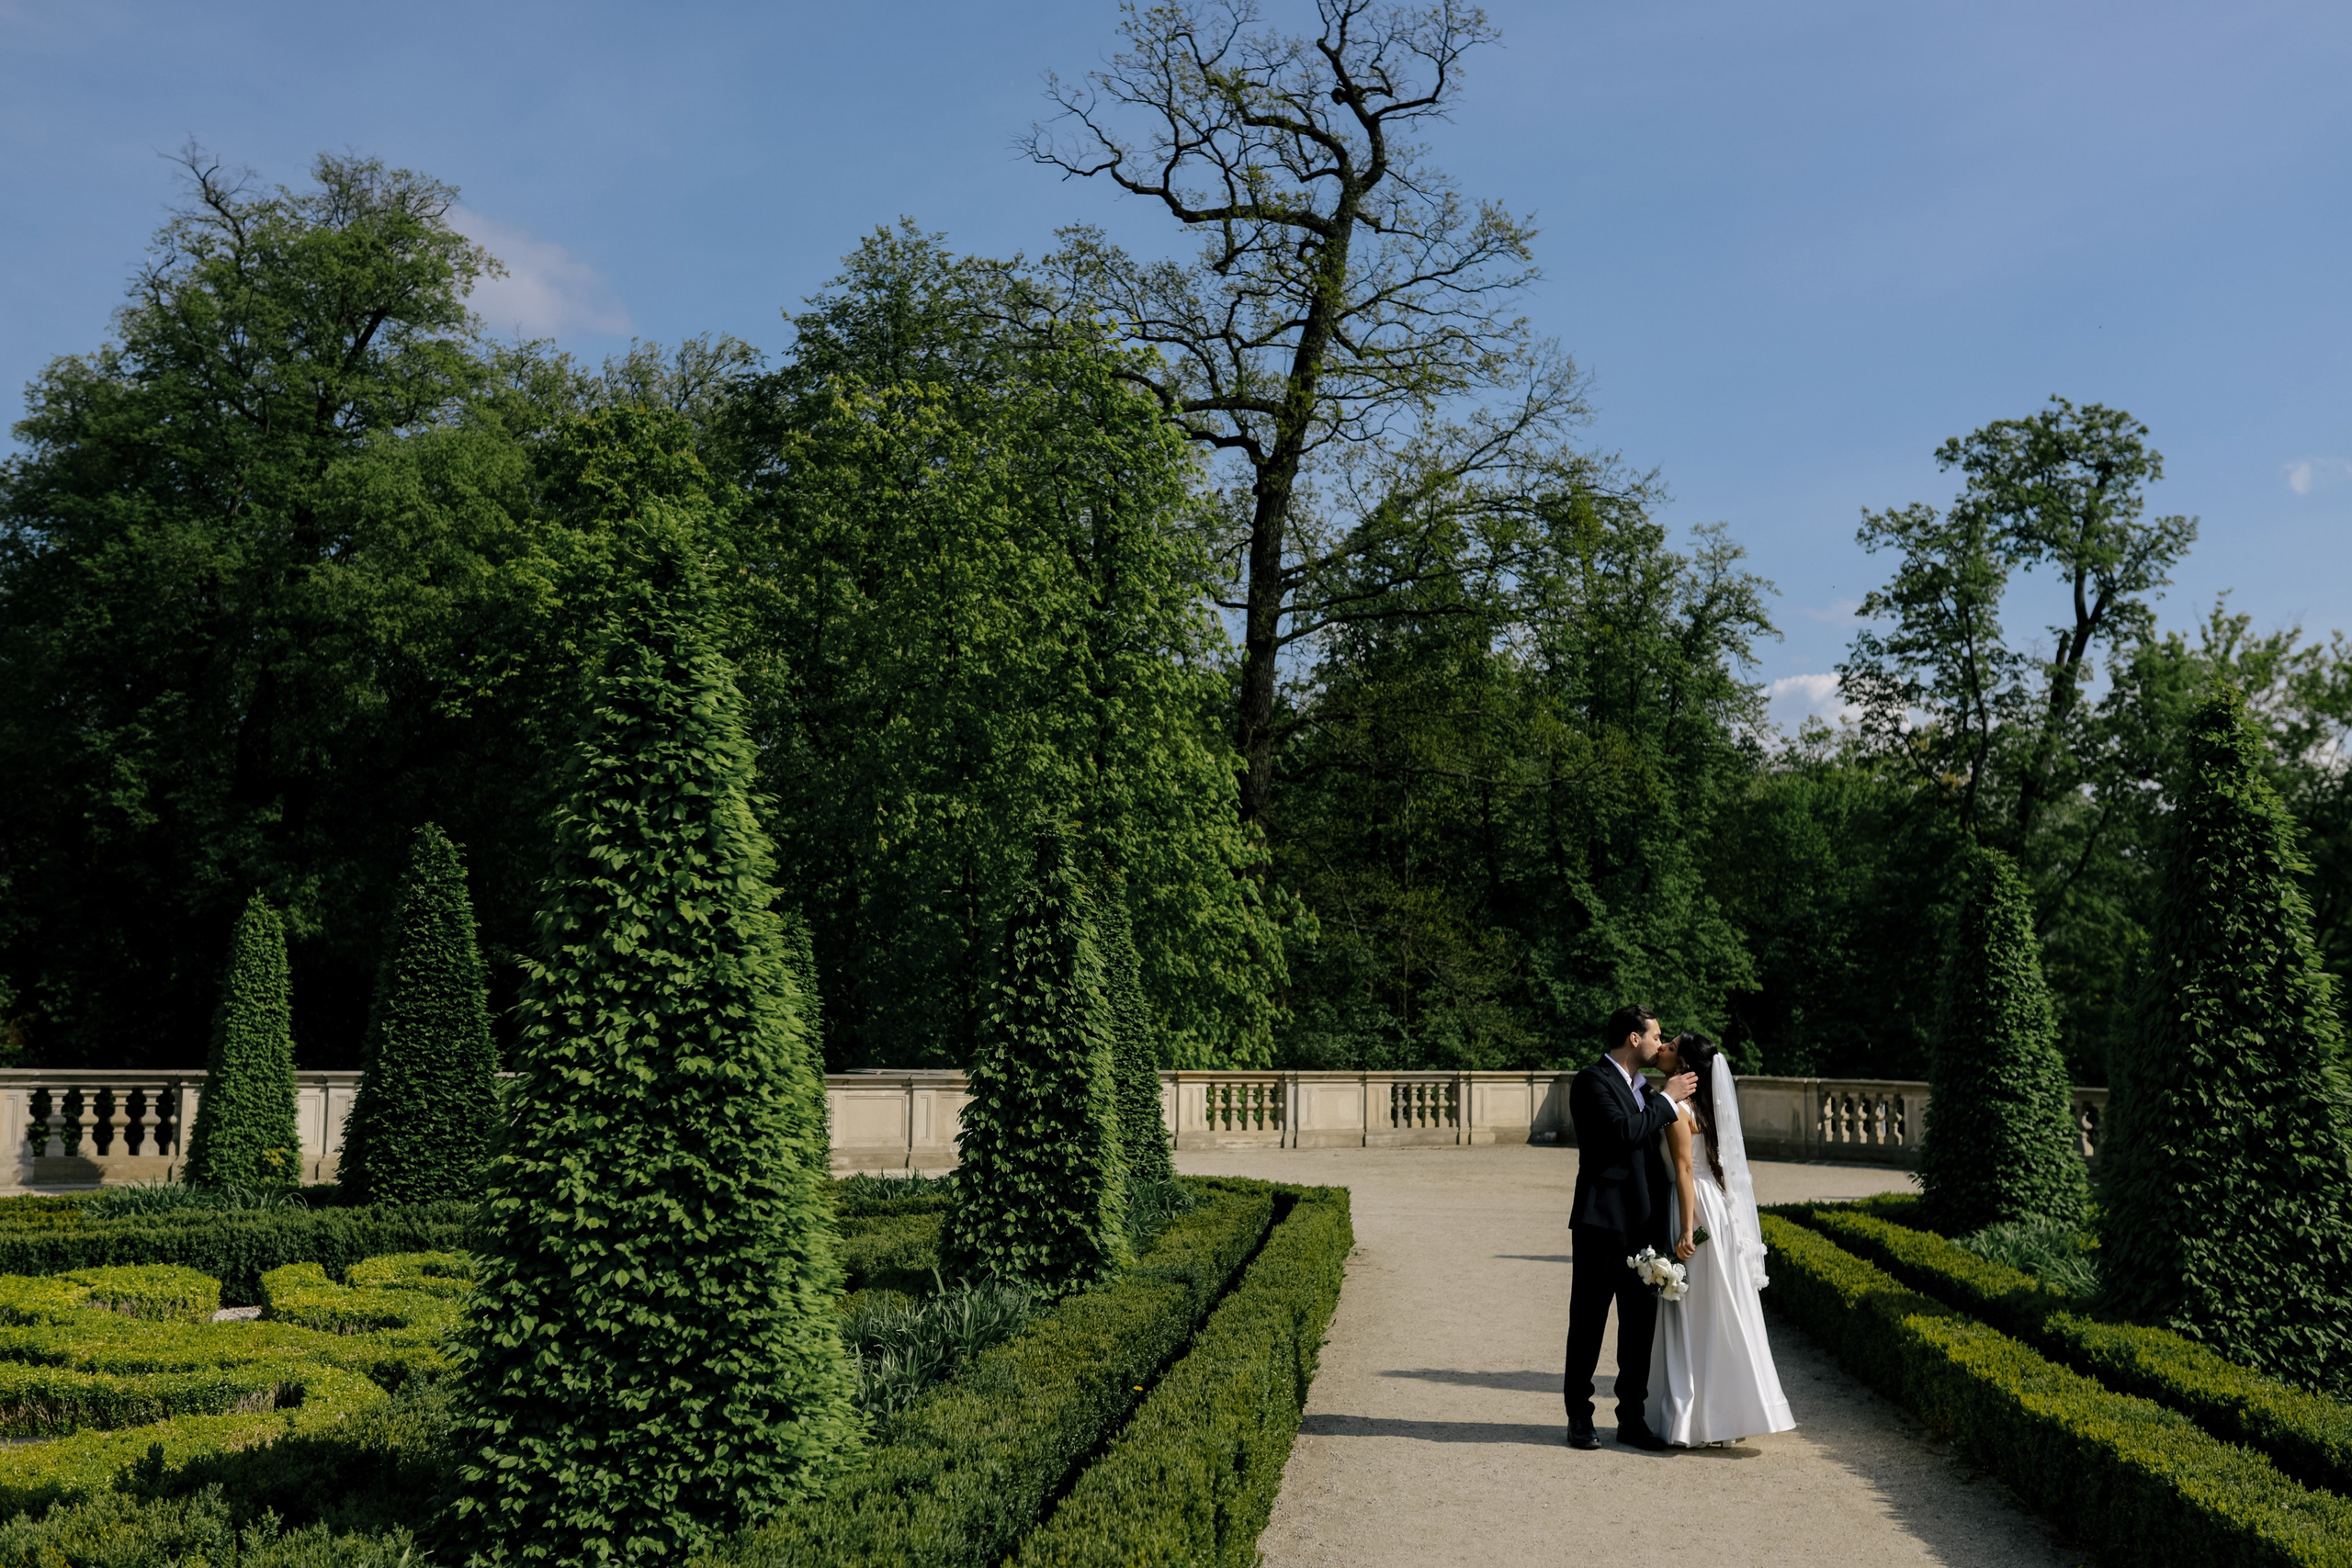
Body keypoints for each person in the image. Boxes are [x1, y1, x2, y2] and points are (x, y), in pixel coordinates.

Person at [1644, 1032, 1796, 1447]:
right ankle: (1726, 1415)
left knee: (1696, 1309)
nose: (1663, 1048)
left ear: (1684, 1066)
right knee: (1721, 1305)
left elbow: (1684, 1170)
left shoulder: (1678, 1109)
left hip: (1694, 1207)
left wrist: (1685, 1229)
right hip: (1716, 1209)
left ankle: (1698, 1418)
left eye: (1671, 1046)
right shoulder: (1706, 1109)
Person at [1562, 1003, 1695, 1451]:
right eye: (1656, 1036)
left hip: (1645, 1226)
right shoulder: (1591, 1082)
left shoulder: (1646, 1089)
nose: (1661, 1043)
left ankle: (1632, 1420)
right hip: (1602, 1223)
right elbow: (1621, 1133)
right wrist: (1667, 1100)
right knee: (1589, 1323)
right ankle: (1579, 1417)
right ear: (1634, 1038)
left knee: (1639, 1328)